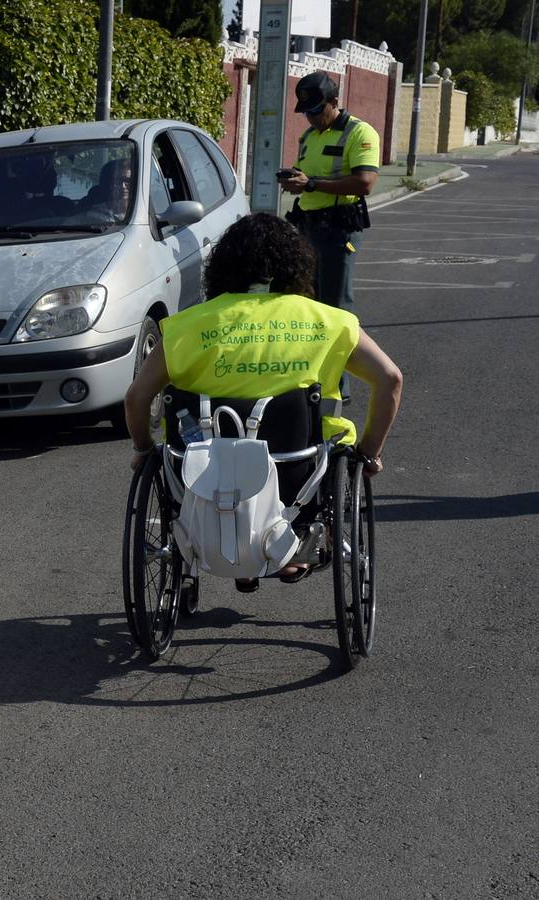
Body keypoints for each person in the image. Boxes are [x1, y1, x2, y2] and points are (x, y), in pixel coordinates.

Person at [122, 212, 403, 586]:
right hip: (297, 474)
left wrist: (143, 448)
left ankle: (223, 547)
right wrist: (370, 453)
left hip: (202, 478)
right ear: (296, 265)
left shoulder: (183, 327)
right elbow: (390, 379)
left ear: (223, 267)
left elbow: (136, 399)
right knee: (326, 452)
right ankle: (290, 545)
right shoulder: (330, 322)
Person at [278, 71, 380, 315]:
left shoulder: (359, 132)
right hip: (308, 226)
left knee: (335, 305)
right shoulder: (309, 136)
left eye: (315, 110)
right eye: (305, 112)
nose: (310, 118)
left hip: (338, 228)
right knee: (309, 300)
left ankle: (343, 353)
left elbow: (365, 183)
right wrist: (294, 180)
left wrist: (311, 184)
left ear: (334, 102)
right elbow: (305, 174)